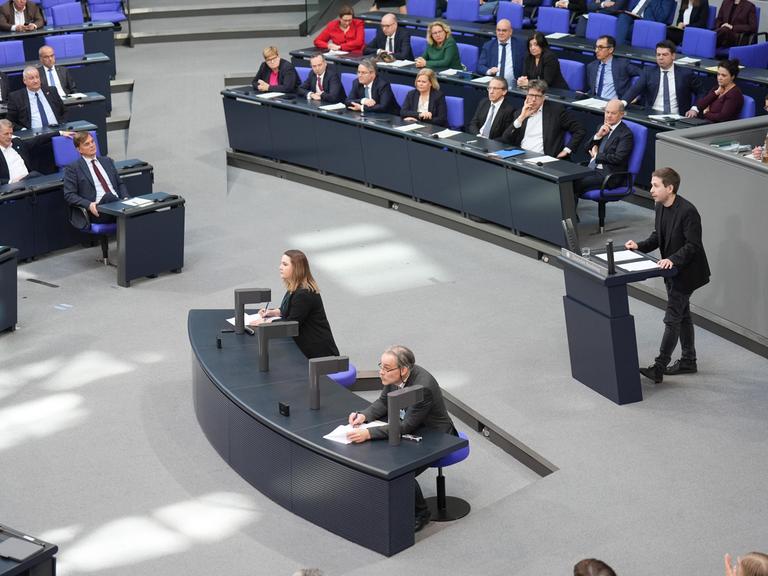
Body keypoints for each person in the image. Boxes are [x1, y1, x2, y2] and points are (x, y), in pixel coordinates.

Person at [346, 345, 457, 533]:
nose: (381, 372)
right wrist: (364, 416)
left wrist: (368, 434)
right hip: (414, 428)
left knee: (401, 468)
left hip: (436, 435)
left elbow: (406, 426)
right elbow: (383, 402)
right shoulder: (394, 375)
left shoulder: (424, 388)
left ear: (403, 369)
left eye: (386, 369)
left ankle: (421, 513)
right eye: (381, 366)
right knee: (381, 454)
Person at [625, 167, 710, 383]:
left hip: (686, 272)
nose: (651, 189)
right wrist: (639, 246)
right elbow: (658, 236)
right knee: (683, 315)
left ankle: (659, 367)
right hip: (670, 271)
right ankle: (688, 360)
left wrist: (672, 259)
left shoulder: (688, 212)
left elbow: (693, 246)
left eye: (655, 185)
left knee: (672, 318)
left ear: (669, 188)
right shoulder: (660, 206)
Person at [250, 250, 340, 360]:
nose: (280, 267)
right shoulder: (295, 287)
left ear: (296, 268)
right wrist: (273, 312)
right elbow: (291, 310)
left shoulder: (304, 293)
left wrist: (266, 322)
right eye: (281, 263)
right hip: (307, 347)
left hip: (319, 354)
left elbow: (292, 324)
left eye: (285, 264)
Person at [502, 79, 586, 158]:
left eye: (537, 96)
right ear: (526, 95)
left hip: (544, 160)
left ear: (544, 97)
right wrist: (521, 118)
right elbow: (506, 138)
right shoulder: (520, 112)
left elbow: (580, 130)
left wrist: (567, 150)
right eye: (531, 95)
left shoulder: (556, 111)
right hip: (521, 156)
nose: (533, 99)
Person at [63, 131, 129, 224]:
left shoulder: (107, 161)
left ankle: (127, 209)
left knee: (144, 209)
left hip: (118, 205)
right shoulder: (73, 168)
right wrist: (89, 205)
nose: (92, 145)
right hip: (97, 211)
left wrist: (126, 198)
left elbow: (120, 184)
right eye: (87, 144)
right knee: (109, 196)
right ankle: (127, 210)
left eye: (92, 142)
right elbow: (69, 195)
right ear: (79, 149)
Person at [573, 98, 634, 198]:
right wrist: (598, 135)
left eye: (613, 113)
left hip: (609, 175)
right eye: (607, 112)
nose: (609, 116)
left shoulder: (626, 134)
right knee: (566, 178)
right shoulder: (602, 127)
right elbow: (586, 149)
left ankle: (569, 213)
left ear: (622, 114)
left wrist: (597, 155)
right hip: (593, 169)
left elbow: (618, 158)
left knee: (575, 183)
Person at [622, 40, 701, 116]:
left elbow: (701, 92)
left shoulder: (685, 73)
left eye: (665, 55)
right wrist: (622, 103)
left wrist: (694, 108)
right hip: (652, 115)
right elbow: (635, 90)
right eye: (658, 54)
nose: (661, 58)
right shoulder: (649, 72)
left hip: (677, 117)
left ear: (673, 56)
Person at [0, 118, 74, 184]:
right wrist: (11, 182)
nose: (9, 137)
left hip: (29, 182)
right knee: (35, 175)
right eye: (6, 134)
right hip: (11, 187)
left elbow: (37, 140)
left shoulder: (16, 143)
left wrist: (60, 133)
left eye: (11, 133)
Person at [7, 66, 66, 131]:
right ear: (24, 81)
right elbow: (10, 121)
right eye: (31, 78)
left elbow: (64, 111)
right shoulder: (16, 97)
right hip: (34, 137)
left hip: (57, 131)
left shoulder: (52, 91)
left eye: (37, 77)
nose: (36, 81)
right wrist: (23, 130)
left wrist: (62, 124)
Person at [587, 35, 641, 100]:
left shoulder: (622, 65)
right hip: (594, 102)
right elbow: (592, 89)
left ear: (610, 49)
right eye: (596, 47)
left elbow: (644, 75)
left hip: (613, 105)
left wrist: (636, 96)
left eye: (600, 47)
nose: (596, 50)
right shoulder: (591, 66)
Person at [477, 19, 526, 89]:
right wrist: (489, 71)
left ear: (510, 32)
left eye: (504, 30)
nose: (501, 33)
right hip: (494, 87)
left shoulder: (520, 45)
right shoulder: (488, 46)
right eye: (498, 30)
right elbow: (480, 66)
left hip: (514, 87)